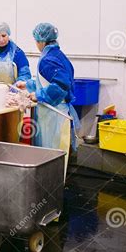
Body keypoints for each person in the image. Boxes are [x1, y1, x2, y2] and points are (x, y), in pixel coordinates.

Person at [27, 23, 80, 179]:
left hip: (53, 115)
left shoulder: (48, 59)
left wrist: (39, 96)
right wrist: (29, 85)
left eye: (36, 41)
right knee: (55, 156)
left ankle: (49, 192)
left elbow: (60, 85)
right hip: (57, 113)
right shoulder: (58, 55)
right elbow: (47, 81)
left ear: (41, 41)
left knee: (50, 155)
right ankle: (52, 190)